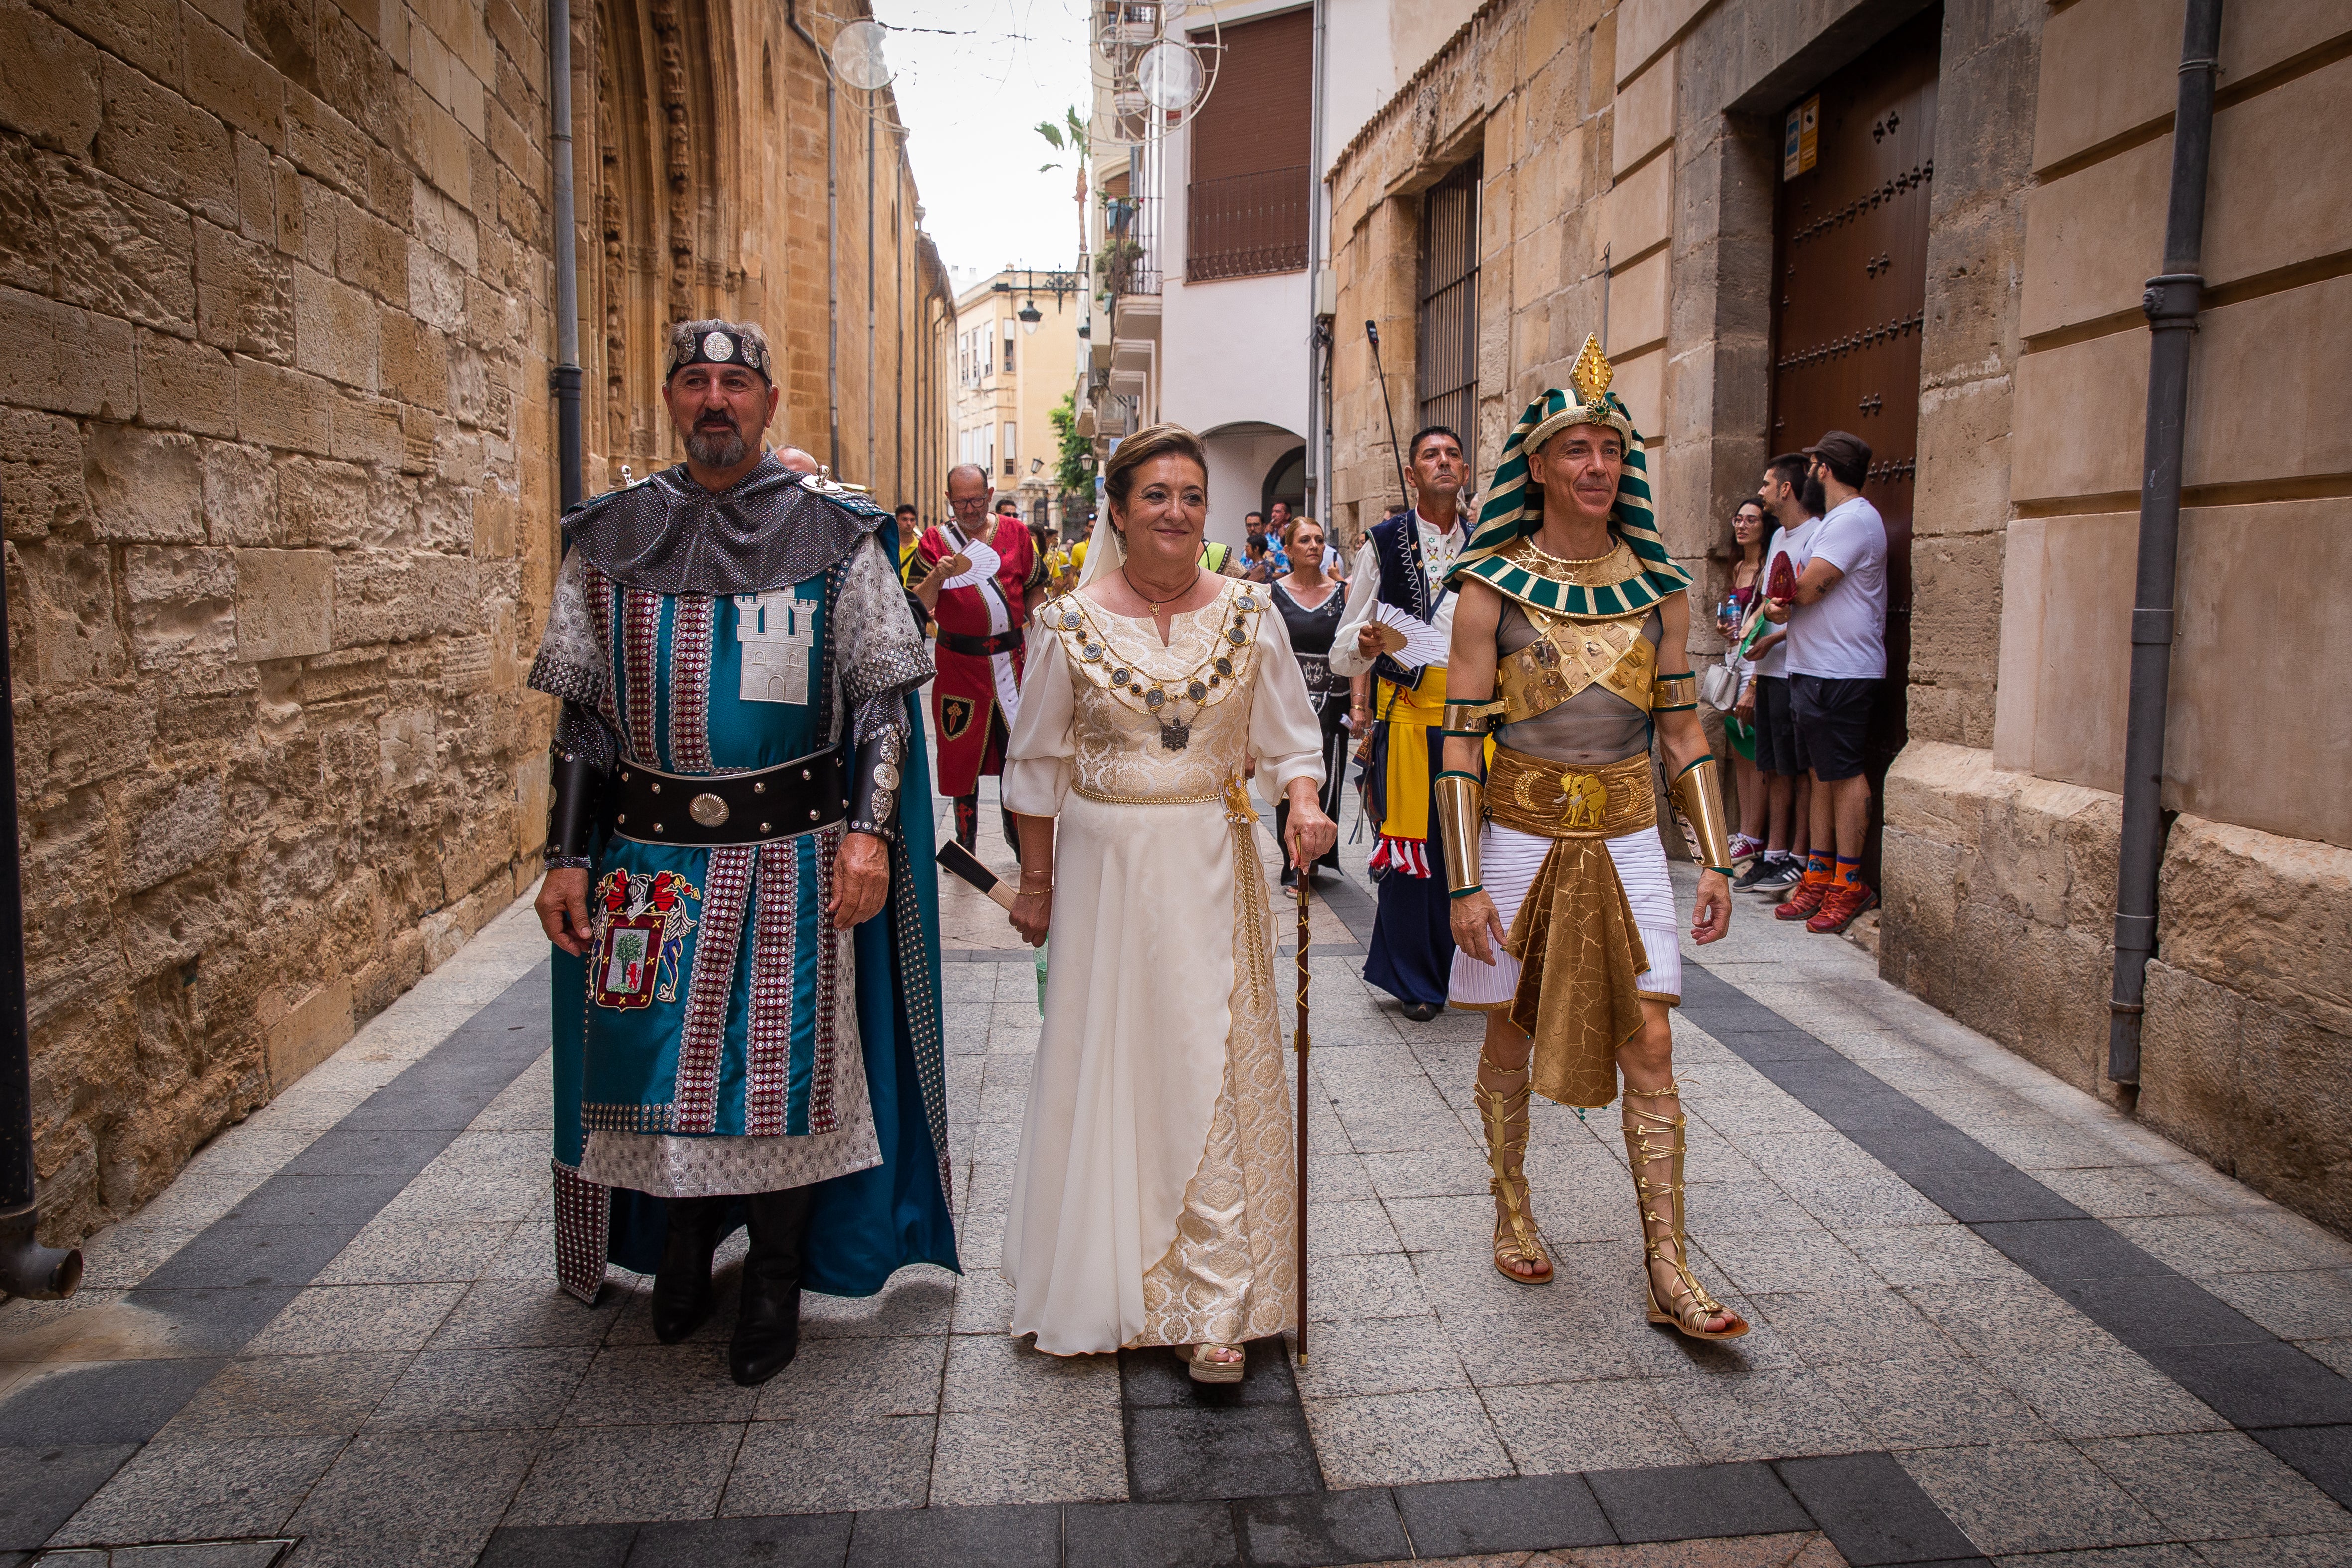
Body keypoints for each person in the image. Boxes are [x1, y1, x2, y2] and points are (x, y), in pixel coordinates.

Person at [530, 318, 956, 1385]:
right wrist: (565, 854)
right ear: (669, 398)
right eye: (695, 381)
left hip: (791, 859)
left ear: (768, 403)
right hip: (645, 864)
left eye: (735, 383)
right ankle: (679, 1243)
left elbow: (879, 704)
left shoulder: (836, 535)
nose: (714, 399)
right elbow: (582, 715)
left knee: (776, 1079)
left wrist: (868, 833)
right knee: (656, 1075)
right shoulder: (607, 536)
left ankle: (772, 1273)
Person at [998, 423, 1335, 1380]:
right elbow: (1034, 766)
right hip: (1106, 869)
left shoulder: (1251, 611)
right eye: (1155, 495)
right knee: (1116, 1058)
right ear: (1115, 509)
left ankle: (1216, 1297)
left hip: (1209, 860)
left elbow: (1288, 741)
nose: (1177, 512)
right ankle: (1111, 1274)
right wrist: (1036, 882)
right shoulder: (1065, 622)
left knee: (1212, 1058)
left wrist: (1303, 804)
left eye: (1191, 495)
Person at [1435, 335, 1745, 1338]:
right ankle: (1512, 1202)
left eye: (1610, 447)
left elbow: (1683, 731)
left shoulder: (1660, 586)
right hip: (1517, 834)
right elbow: (1460, 738)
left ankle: (1668, 1264)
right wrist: (1461, 882)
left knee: (1650, 1037)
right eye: (1575, 447)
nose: (1597, 465)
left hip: (1628, 836)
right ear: (1537, 465)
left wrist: (1719, 856)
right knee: (1510, 1029)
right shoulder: (1490, 583)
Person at [1329, 427, 1474, 1022]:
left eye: (1452, 454)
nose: (1442, 462)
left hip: (1476, 721)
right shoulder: (1381, 544)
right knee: (1413, 853)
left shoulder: (1493, 543)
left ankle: (1468, 970)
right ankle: (1414, 978)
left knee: (1468, 850)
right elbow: (1345, 644)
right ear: (1411, 475)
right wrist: (1362, 644)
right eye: (1429, 456)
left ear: (1465, 471)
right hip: (1409, 718)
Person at [1763, 430, 1889, 933]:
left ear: (1822, 468)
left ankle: (1849, 880)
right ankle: (1818, 873)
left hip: (1843, 668)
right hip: (1812, 665)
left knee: (1842, 773)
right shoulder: (1833, 522)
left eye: (1811, 466)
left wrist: (1782, 599)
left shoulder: (1854, 519)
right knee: (1819, 773)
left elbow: (1809, 587)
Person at [912, 463, 1049, 853]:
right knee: (961, 755)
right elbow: (918, 605)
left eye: (975, 500)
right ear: (949, 500)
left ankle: (1020, 840)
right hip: (958, 666)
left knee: (1017, 753)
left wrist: (1048, 636)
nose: (969, 509)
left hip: (1012, 662)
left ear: (989, 495)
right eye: (960, 502)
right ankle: (965, 844)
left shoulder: (1017, 534)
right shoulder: (934, 542)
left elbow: (1035, 591)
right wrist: (937, 577)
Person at [1739, 454, 1817, 895]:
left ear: (1786, 489)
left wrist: (1772, 632)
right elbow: (1771, 602)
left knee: (1797, 768)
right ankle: (1774, 853)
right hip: (1768, 669)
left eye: (1768, 484)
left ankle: (1799, 857)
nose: (1763, 490)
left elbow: (1799, 606)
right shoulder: (1780, 539)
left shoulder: (1815, 535)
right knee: (1772, 768)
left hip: (1793, 668)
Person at [1270, 516, 1349, 887]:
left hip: (1331, 701)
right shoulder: (1272, 595)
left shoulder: (1342, 593)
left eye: (1319, 539)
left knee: (1327, 778)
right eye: (1304, 540)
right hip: (1286, 701)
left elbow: (1353, 649)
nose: (1314, 546)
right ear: (1288, 549)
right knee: (1291, 778)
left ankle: (1316, 857)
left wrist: (1361, 703)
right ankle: (1294, 859)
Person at [1712, 499, 1772, 867]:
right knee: (1737, 743)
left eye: (1752, 519)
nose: (1743, 525)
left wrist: (1754, 684)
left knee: (1753, 746)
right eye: (1739, 519)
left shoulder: (1767, 569)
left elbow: (1765, 619)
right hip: (1734, 656)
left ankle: (1753, 832)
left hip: (1755, 662)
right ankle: (1746, 832)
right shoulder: (1738, 566)